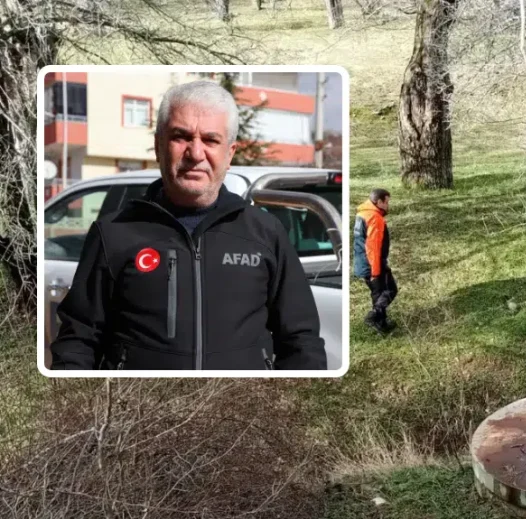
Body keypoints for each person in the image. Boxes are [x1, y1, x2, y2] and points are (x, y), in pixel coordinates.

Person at [50, 80, 326, 370]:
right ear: (159, 146)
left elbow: (302, 341)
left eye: (210, 140)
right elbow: (78, 341)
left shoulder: (265, 233)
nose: (195, 153)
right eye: (181, 137)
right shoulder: (113, 233)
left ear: (229, 153)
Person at [353, 188, 397, 334]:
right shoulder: (375, 218)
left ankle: (382, 324)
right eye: (386, 202)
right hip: (373, 263)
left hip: (362, 262)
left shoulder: (362, 213)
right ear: (379, 201)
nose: (388, 206)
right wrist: (376, 272)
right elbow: (373, 247)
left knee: (378, 293)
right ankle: (374, 315)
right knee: (390, 289)